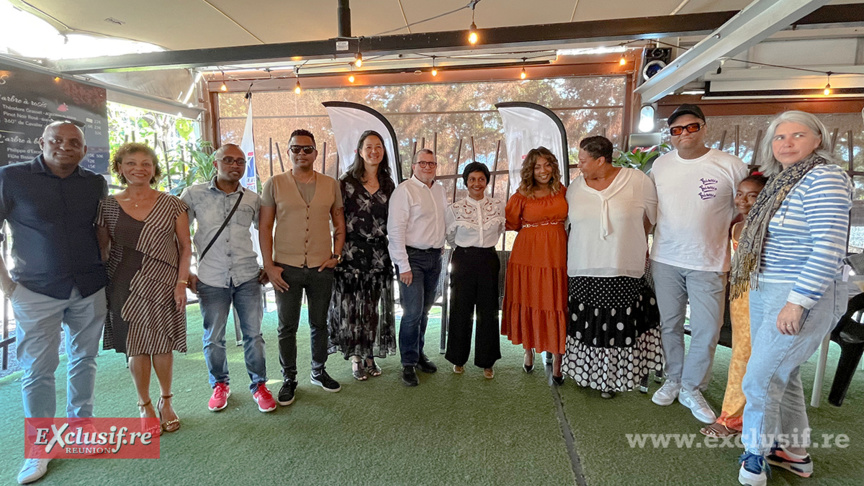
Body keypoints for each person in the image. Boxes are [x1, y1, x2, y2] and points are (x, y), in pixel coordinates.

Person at [732, 111, 851, 486]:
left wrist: (797, 301)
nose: (786, 143)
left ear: (818, 140)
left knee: (760, 378)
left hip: (797, 292)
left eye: (797, 134)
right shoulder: (784, 180)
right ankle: (794, 454)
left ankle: (755, 455)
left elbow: (828, 247)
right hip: (766, 284)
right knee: (784, 373)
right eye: (778, 137)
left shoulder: (825, 177)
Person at [0, 121, 108, 484]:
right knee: (37, 371)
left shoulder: (94, 183)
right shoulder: (10, 178)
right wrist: (9, 289)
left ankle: (81, 428)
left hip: (89, 287)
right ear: (41, 142)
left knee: (84, 360)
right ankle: (39, 448)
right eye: (57, 141)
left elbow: (100, 231)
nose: (66, 147)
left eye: (74, 142)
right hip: (35, 290)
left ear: (83, 149)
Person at [650, 103, 748, 424]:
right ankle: (674, 379)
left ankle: (693, 386)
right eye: (677, 130)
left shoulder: (730, 165)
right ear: (671, 136)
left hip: (709, 261)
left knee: (707, 329)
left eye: (691, 127)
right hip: (665, 259)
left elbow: (745, 209)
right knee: (670, 325)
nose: (684, 134)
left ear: (704, 127)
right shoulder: (660, 166)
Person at [97, 143, 191, 437]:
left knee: (162, 344)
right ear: (120, 168)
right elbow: (102, 250)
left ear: (155, 169)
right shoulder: (107, 206)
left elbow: (186, 246)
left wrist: (181, 282)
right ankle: (144, 404)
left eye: (146, 163)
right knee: (136, 346)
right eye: (131, 163)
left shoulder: (173, 204)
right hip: (124, 285)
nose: (139, 168)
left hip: (164, 282)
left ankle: (166, 401)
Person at [561, 136, 662, 398]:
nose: (579, 166)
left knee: (617, 324)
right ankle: (585, 374)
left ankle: (611, 381)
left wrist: (633, 241)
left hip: (622, 267)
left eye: (583, 161)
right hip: (583, 267)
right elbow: (567, 225)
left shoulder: (637, 181)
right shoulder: (575, 188)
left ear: (600, 160)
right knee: (585, 324)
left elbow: (653, 218)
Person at [180, 143, 276, 413]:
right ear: (215, 163)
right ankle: (219, 385)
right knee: (213, 337)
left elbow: (266, 231)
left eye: (240, 162)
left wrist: (268, 264)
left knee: (254, 335)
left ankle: (259, 385)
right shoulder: (193, 194)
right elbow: (180, 236)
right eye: (229, 160)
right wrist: (186, 271)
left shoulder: (252, 199)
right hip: (211, 278)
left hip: (248, 276)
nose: (235, 166)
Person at [260, 129, 346, 405]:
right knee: (287, 326)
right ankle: (289, 378)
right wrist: (269, 266)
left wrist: (336, 254)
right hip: (287, 267)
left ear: (315, 153)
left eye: (307, 149)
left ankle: (318, 371)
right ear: (289, 152)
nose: (301, 153)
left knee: (319, 323)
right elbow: (265, 227)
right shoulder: (274, 184)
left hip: (322, 267)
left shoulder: (331, 184)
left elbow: (339, 223)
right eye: (295, 149)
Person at [700, 173, 767, 437]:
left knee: (748, 357)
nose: (744, 201)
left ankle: (732, 419)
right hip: (740, 300)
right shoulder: (738, 226)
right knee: (742, 354)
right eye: (740, 194)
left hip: (762, 299)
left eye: (753, 195)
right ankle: (741, 415)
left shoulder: (770, 229)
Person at [327, 130, 397, 380]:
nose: (374, 151)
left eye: (378, 146)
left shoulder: (389, 183)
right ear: (359, 151)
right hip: (351, 253)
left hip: (379, 253)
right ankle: (356, 358)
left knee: (372, 308)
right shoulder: (345, 183)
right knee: (352, 308)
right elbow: (335, 219)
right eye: (369, 147)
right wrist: (335, 252)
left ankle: (369, 355)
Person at [501, 146, 568, 385]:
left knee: (556, 300)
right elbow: (510, 222)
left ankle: (558, 358)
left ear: (553, 167)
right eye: (537, 166)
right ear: (530, 169)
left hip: (557, 254)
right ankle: (528, 350)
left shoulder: (562, 191)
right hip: (527, 255)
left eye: (547, 164)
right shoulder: (521, 195)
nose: (543, 170)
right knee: (530, 298)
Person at [388, 148, 447, 387]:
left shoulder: (440, 190)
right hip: (412, 259)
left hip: (435, 258)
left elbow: (444, 219)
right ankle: (408, 364)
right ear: (413, 166)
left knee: (424, 311)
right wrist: (403, 265)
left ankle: (419, 354)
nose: (427, 167)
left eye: (432, 163)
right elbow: (395, 231)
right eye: (422, 163)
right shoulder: (404, 191)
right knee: (412, 313)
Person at [444, 162, 505, 379]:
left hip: (488, 259)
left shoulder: (498, 206)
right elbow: (450, 237)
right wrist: (464, 250)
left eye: (481, 179)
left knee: (488, 311)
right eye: (472, 179)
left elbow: (499, 229)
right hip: (463, 260)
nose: (477, 183)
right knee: (460, 308)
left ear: (486, 181)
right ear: (466, 182)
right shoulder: (455, 209)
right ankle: (458, 359)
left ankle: (487, 362)